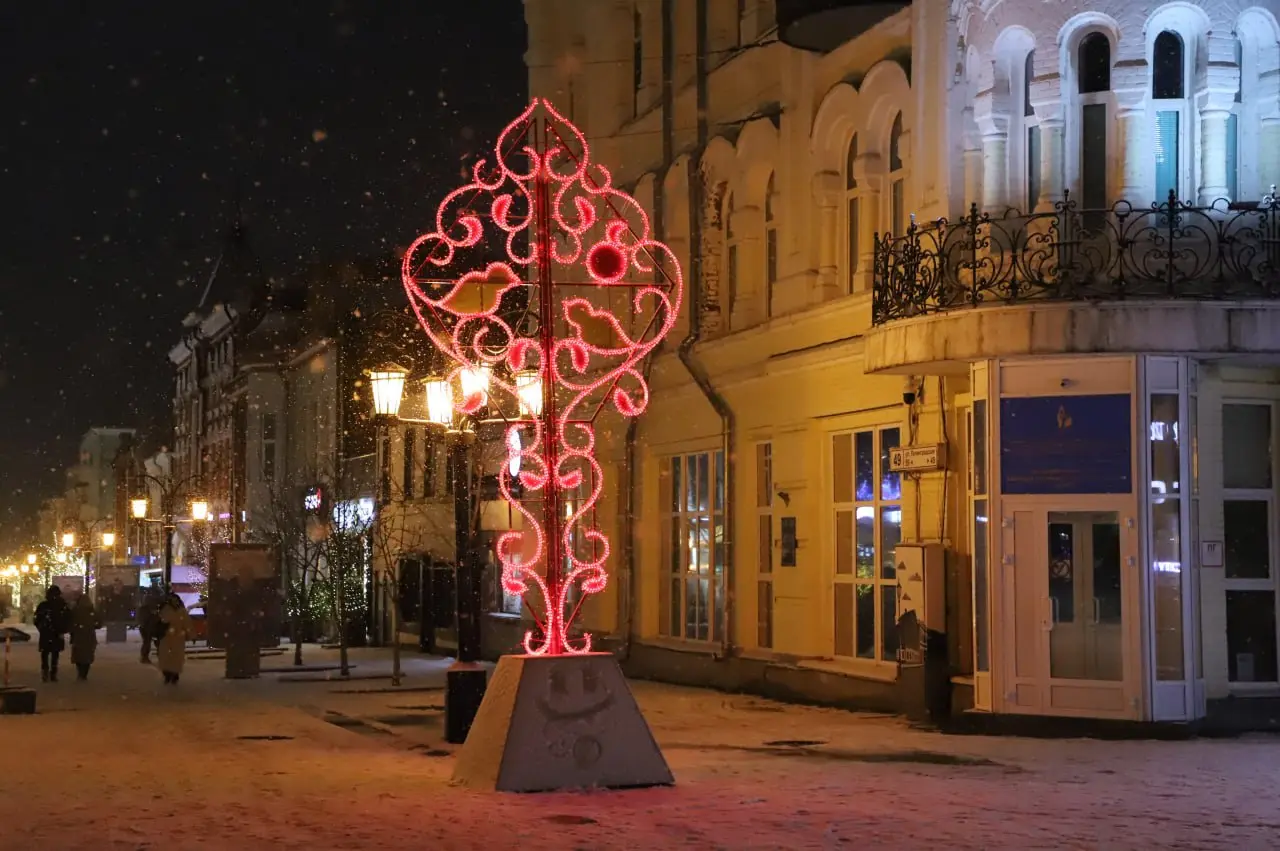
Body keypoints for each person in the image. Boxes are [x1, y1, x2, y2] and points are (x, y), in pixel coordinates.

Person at [34, 586, 72, 683]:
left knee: (45, 654)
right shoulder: (62, 605)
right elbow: (68, 619)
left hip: (46, 633)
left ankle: (45, 673)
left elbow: (36, 619)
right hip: (57, 633)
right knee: (55, 654)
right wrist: (63, 630)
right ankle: (53, 674)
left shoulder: (43, 605)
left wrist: (41, 628)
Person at [157, 592, 193, 685]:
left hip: (176, 638)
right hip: (167, 637)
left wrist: (191, 635)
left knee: (175, 658)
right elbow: (160, 622)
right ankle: (168, 674)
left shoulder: (179, 611)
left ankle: (173, 675)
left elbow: (187, 624)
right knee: (167, 657)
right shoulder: (166, 609)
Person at [69, 594, 102, 681]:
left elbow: (71, 622)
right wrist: (92, 626)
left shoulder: (75, 610)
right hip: (89, 636)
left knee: (78, 655)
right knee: (87, 655)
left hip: (78, 636)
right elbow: (99, 623)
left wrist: (74, 629)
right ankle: (84, 674)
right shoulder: (92, 610)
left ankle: (80, 673)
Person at [138, 586, 164, 663]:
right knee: (153, 642)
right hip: (150, 626)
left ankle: (145, 657)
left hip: (149, 626)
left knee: (149, 641)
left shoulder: (145, 603)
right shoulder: (154, 602)